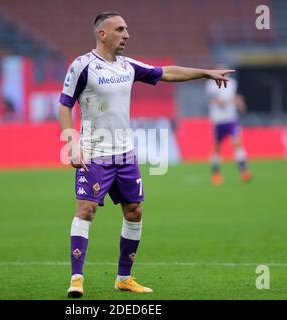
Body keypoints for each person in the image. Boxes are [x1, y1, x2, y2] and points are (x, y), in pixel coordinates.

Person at [58, 11, 235, 298]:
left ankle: (124, 278)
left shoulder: (129, 66)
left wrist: (206, 72)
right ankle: (76, 278)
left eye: (127, 29)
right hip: (94, 153)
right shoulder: (82, 66)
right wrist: (71, 143)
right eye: (120, 29)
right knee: (86, 210)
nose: (127, 34)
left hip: (125, 155)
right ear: (102, 34)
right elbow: (65, 104)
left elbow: (166, 72)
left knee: (135, 211)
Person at [205, 64, 251, 185]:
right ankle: (216, 173)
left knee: (237, 144)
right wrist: (232, 100)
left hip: (231, 119)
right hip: (218, 120)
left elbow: (236, 98)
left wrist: (239, 103)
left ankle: (244, 171)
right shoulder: (211, 85)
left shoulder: (232, 84)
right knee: (217, 148)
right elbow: (216, 101)